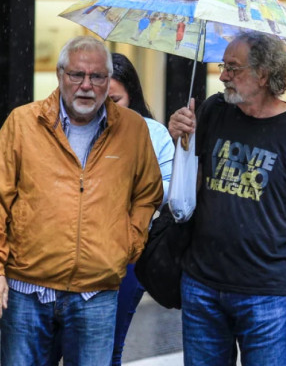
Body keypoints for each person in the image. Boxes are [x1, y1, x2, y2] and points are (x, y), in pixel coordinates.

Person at [0, 36, 164, 364]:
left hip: (96, 293)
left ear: (107, 80)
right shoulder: (23, 123)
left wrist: (126, 244)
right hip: (26, 290)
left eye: (97, 76)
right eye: (77, 75)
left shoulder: (132, 130)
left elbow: (148, 193)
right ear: (60, 76)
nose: (86, 85)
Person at [168, 31, 286, 365]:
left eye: (233, 68)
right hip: (202, 285)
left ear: (263, 75)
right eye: (223, 66)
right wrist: (181, 142)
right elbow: (192, 188)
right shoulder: (214, 110)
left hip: (265, 292)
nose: (223, 75)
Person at [108, 52, 175, 366]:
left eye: (115, 99)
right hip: (73, 251)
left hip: (129, 254)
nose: (106, 108)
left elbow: (164, 194)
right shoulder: (76, 129)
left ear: (131, 95)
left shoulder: (153, 133)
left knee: (111, 344)